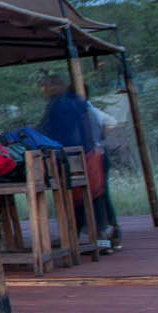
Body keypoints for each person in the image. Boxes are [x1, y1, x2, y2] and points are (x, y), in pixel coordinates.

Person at [36, 72, 119, 250]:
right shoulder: (74, 103)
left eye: (47, 86)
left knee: (92, 200)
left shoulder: (63, 105)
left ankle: (102, 241)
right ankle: (86, 238)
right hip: (87, 154)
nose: (44, 90)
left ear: (57, 86)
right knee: (89, 199)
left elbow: (54, 132)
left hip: (82, 156)